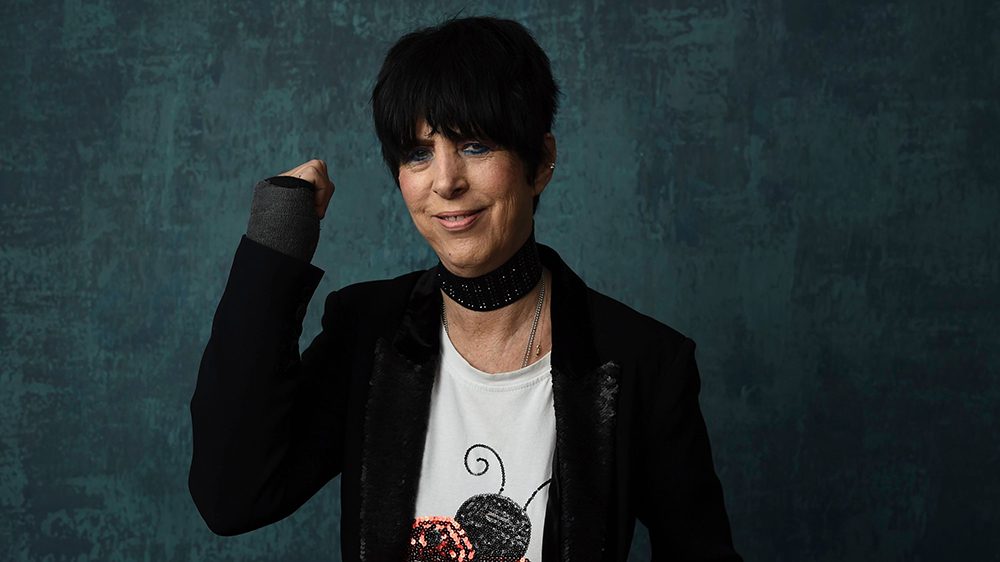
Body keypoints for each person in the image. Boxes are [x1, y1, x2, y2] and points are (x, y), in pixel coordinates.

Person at [189, 16, 741, 562]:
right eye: (418, 152)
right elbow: (232, 496)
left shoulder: (643, 363)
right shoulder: (368, 333)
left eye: (474, 145)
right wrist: (277, 240)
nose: (446, 180)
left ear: (541, 162)